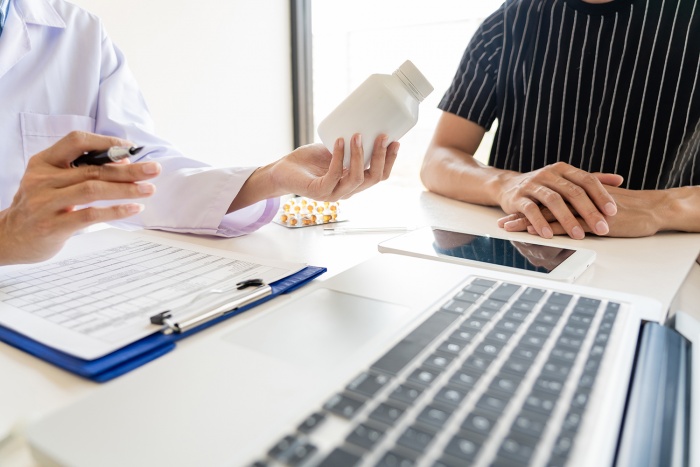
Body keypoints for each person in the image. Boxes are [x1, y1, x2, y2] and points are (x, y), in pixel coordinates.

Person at [0, 0, 399, 266]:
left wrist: (272, 177)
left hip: (47, 297)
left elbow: (136, 166)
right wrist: (8, 236)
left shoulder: (78, 31)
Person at [421, 0, 700, 240]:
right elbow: (439, 158)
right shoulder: (508, 22)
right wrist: (505, 184)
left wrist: (658, 207)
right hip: (522, 248)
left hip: (660, 261)